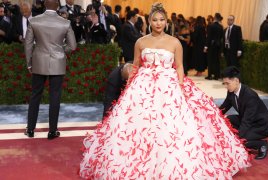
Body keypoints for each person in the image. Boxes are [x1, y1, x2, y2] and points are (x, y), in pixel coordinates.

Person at [80, 3, 250, 179]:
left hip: (170, 88)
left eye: (161, 19)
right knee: (140, 127)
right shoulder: (141, 41)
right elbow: (136, 66)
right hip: (143, 88)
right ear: (149, 20)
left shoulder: (175, 42)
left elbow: (180, 67)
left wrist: (182, 87)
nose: (158, 23)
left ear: (166, 21)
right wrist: (129, 88)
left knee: (173, 127)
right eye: (154, 19)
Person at [24, 0, 76, 139]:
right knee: (55, 96)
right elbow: (73, 46)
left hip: (38, 61)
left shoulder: (34, 21)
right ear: (58, 6)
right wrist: (60, 50)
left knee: (35, 95)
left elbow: (28, 44)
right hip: (58, 62)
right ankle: (52, 131)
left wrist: (29, 63)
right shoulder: (65, 23)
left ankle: (30, 129)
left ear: (45, 5)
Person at [219, 66, 268, 160]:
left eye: (227, 83)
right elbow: (223, 108)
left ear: (236, 81)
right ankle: (245, 137)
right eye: (224, 83)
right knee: (228, 119)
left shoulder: (250, 96)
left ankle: (263, 145)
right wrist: (211, 114)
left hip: (261, 125)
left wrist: (237, 138)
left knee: (241, 141)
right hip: (248, 120)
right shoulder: (231, 91)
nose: (226, 86)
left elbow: (247, 121)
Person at [204, 13, 223, 80]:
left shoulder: (211, 26)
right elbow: (221, 37)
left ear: (214, 18)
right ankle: (216, 75)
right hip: (218, 45)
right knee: (216, 61)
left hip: (211, 45)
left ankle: (210, 75)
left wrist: (206, 46)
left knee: (210, 60)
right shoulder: (221, 26)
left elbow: (209, 37)